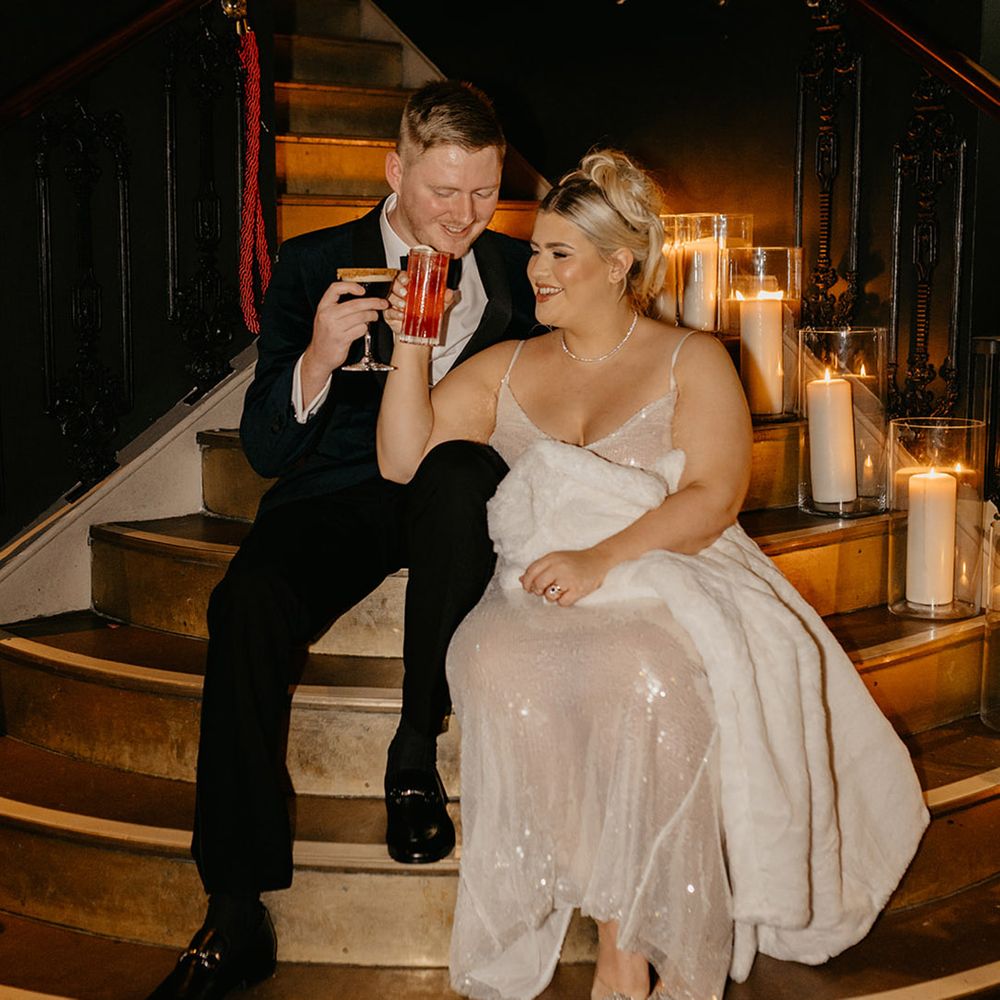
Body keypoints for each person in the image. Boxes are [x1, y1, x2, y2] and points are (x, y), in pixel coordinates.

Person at [377, 149, 930, 1000]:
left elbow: (714, 495)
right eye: (535, 251)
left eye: (560, 253)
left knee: (647, 672)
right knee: (489, 660)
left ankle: (626, 944)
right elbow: (403, 460)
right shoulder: (510, 365)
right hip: (539, 585)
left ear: (618, 262)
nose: (537, 270)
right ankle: (599, 897)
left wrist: (603, 559)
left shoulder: (691, 358)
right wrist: (413, 343)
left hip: (664, 563)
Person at [147, 81, 538, 1000]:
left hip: (454, 488)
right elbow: (266, 449)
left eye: (484, 192)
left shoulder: (521, 271)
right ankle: (235, 903)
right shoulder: (313, 263)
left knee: (456, 480)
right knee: (244, 602)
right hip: (333, 494)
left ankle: (413, 754)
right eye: (445, 192)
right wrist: (318, 358)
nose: (464, 217)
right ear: (394, 170)